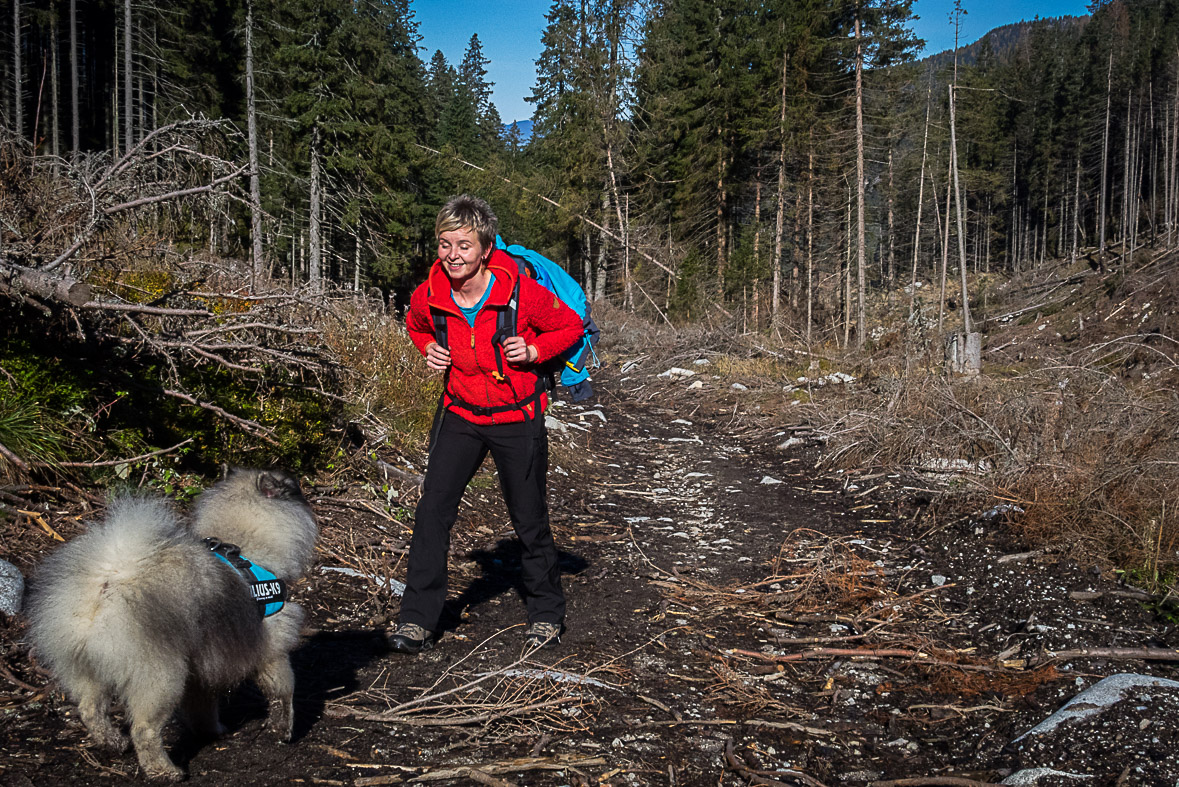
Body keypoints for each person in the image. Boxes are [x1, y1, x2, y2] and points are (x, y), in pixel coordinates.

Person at [389, 195, 583, 655]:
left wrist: (535, 353)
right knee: (432, 511)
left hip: (518, 417)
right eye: (444, 244)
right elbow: (415, 324)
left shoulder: (519, 292)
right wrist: (426, 349)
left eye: (464, 245)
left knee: (529, 519)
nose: (453, 255)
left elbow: (570, 326)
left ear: (485, 249)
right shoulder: (430, 295)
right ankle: (417, 620)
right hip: (460, 414)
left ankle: (546, 615)